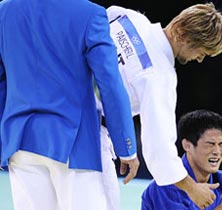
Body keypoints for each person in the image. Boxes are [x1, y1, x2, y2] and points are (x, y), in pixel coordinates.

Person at [0, 0, 139, 210]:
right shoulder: (90, 14)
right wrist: (126, 148)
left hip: (20, 140)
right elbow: (109, 83)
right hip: (73, 144)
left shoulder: (5, 10)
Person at [96, 2, 222, 209]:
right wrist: (192, 188)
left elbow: (96, 21)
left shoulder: (129, 18)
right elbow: (159, 146)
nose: (200, 59)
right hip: (86, 136)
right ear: (183, 35)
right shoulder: (160, 76)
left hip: (48, 105)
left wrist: (126, 150)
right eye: (202, 50)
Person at [141, 109, 222, 210]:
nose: (217, 151)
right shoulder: (165, 186)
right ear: (187, 146)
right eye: (210, 144)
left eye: (221, 144)